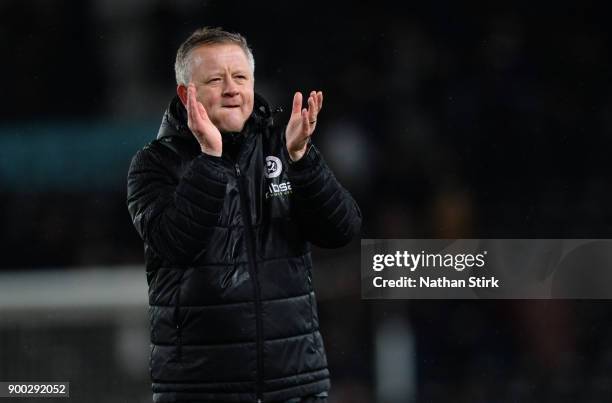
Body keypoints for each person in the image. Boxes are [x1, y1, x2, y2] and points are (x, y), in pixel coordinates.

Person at [127, 27, 362, 403]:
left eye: (240, 77)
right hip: (199, 389)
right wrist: (210, 159)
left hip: (295, 383)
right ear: (187, 94)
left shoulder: (283, 145)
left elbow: (342, 230)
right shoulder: (154, 164)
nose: (231, 89)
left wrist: (302, 161)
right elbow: (176, 242)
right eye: (215, 79)